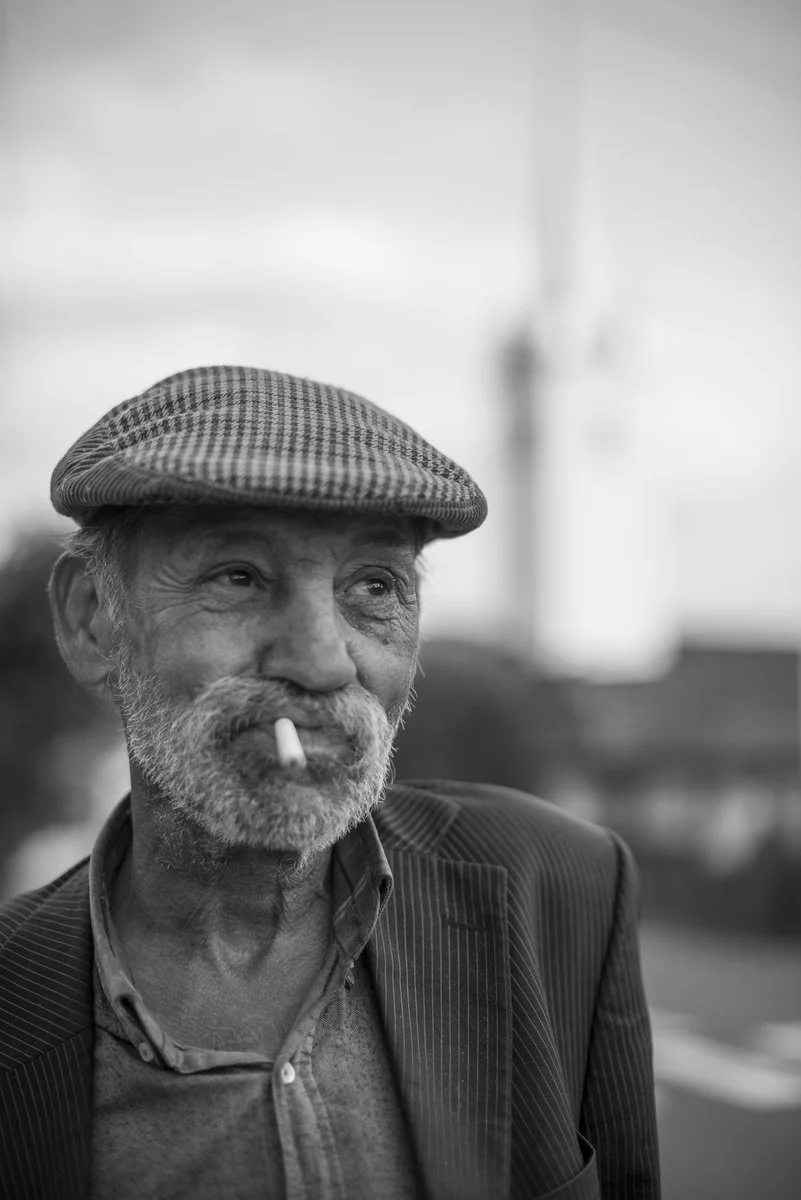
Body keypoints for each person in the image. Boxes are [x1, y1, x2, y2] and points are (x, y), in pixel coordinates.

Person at [0, 365, 659, 1200]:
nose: (321, 662)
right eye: (237, 576)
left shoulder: (566, 886)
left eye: (374, 587)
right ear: (93, 619)